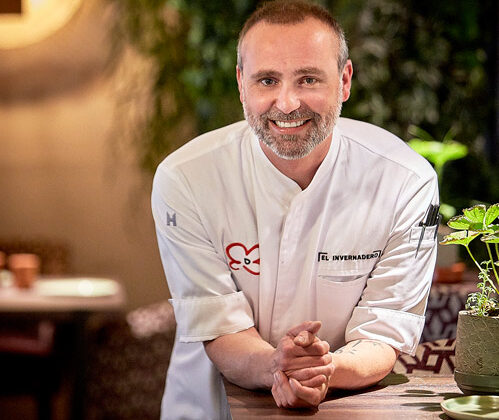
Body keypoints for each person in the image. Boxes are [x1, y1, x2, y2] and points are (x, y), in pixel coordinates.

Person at [151, 1, 439, 419]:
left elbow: (382, 333)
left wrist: (325, 369)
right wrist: (277, 366)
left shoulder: (405, 182)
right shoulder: (187, 179)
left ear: (344, 81)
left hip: (343, 411)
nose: (286, 103)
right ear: (241, 83)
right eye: (267, 80)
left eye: (308, 79)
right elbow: (223, 330)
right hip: (207, 409)